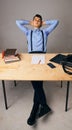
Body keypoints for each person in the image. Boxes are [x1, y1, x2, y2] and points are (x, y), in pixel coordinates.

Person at [16, 14, 59, 125]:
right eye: (35, 20)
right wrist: (29, 22)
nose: (37, 21)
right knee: (37, 85)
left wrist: (44, 23)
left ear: (41, 22)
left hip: (42, 57)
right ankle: (43, 106)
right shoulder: (28, 32)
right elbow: (17, 22)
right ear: (33, 21)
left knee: (37, 84)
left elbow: (56, 22)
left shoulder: (45, 32)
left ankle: (34, 111)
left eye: (39, 20)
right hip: (31, 58)